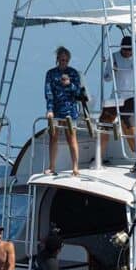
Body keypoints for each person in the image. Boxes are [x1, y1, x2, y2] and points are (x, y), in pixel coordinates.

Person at [100, 35, 136, 155]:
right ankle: (99, 158)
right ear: (121, 48)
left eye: (130, 50)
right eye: (125, 49)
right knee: (103, 126)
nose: (127, 52)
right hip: (115, 98)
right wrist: (113, 71)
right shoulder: (114, 57)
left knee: (131, 128)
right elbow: (106, 78)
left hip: (131, 98)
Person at [44, 46, 82, 175]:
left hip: (70, 110)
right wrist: (49, 109)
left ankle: (75, 167)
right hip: (56, 109)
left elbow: (78, 92)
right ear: (57, 59)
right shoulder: (51, 74)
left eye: (65, 60)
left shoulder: (73, 73)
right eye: (61, 60)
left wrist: (69, 84)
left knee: (71, 138)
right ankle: (52, 166)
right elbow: (48, 92)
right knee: (53, 137)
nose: (63, 62)